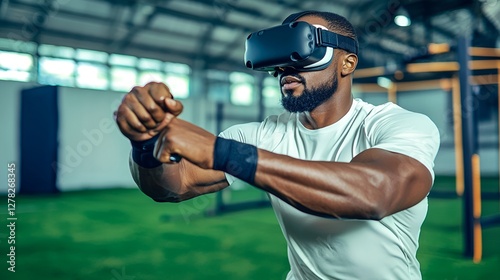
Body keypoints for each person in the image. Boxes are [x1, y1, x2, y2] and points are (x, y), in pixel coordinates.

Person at [115, 10, 440, 280]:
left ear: (347, 63)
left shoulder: (395, 124)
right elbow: (174, 186)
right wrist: (145, 144)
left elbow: (376, 193)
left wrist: (222, 153)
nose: (286, 66)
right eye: (280, 55)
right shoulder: (264, 135)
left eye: (301, 48)